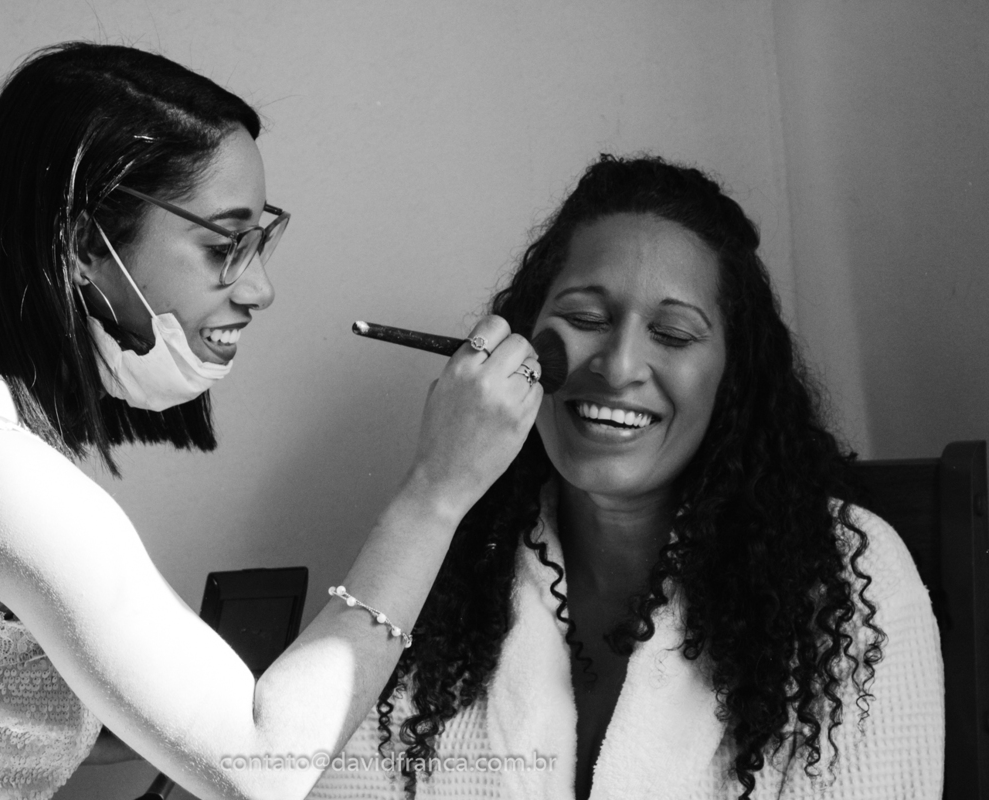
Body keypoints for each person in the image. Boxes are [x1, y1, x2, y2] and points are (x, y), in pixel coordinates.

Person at [0, 42, 545, 799]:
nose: (260, 289)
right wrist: (437, 491)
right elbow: (265, 768)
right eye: (223, 245)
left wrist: (156, 715)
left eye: (260, 240)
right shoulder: (0, 480)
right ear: (85, 245)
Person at [309, 155, 944, 799]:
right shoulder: (441, 560)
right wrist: (432, 493)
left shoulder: (845, 581)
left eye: (672, 334)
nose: (617, 368)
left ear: (732, 378)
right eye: (587, 320)